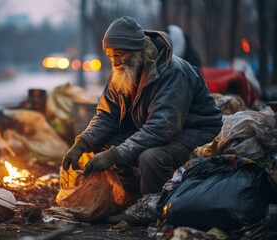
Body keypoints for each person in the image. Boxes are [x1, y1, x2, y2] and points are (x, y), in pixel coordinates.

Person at [62, 16, 222, 224]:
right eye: (111, 56)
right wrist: (81, 143)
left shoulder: (172, 72)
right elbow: (107, 116)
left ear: (137, 51)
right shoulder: (122, 70)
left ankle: (152, 207)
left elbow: (162, 128)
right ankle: (133, 196)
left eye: (119, 55)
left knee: (151, 157)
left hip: (195, 131)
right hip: (156, 128)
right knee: (103, 145)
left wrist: (116, 154)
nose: (115, 61)